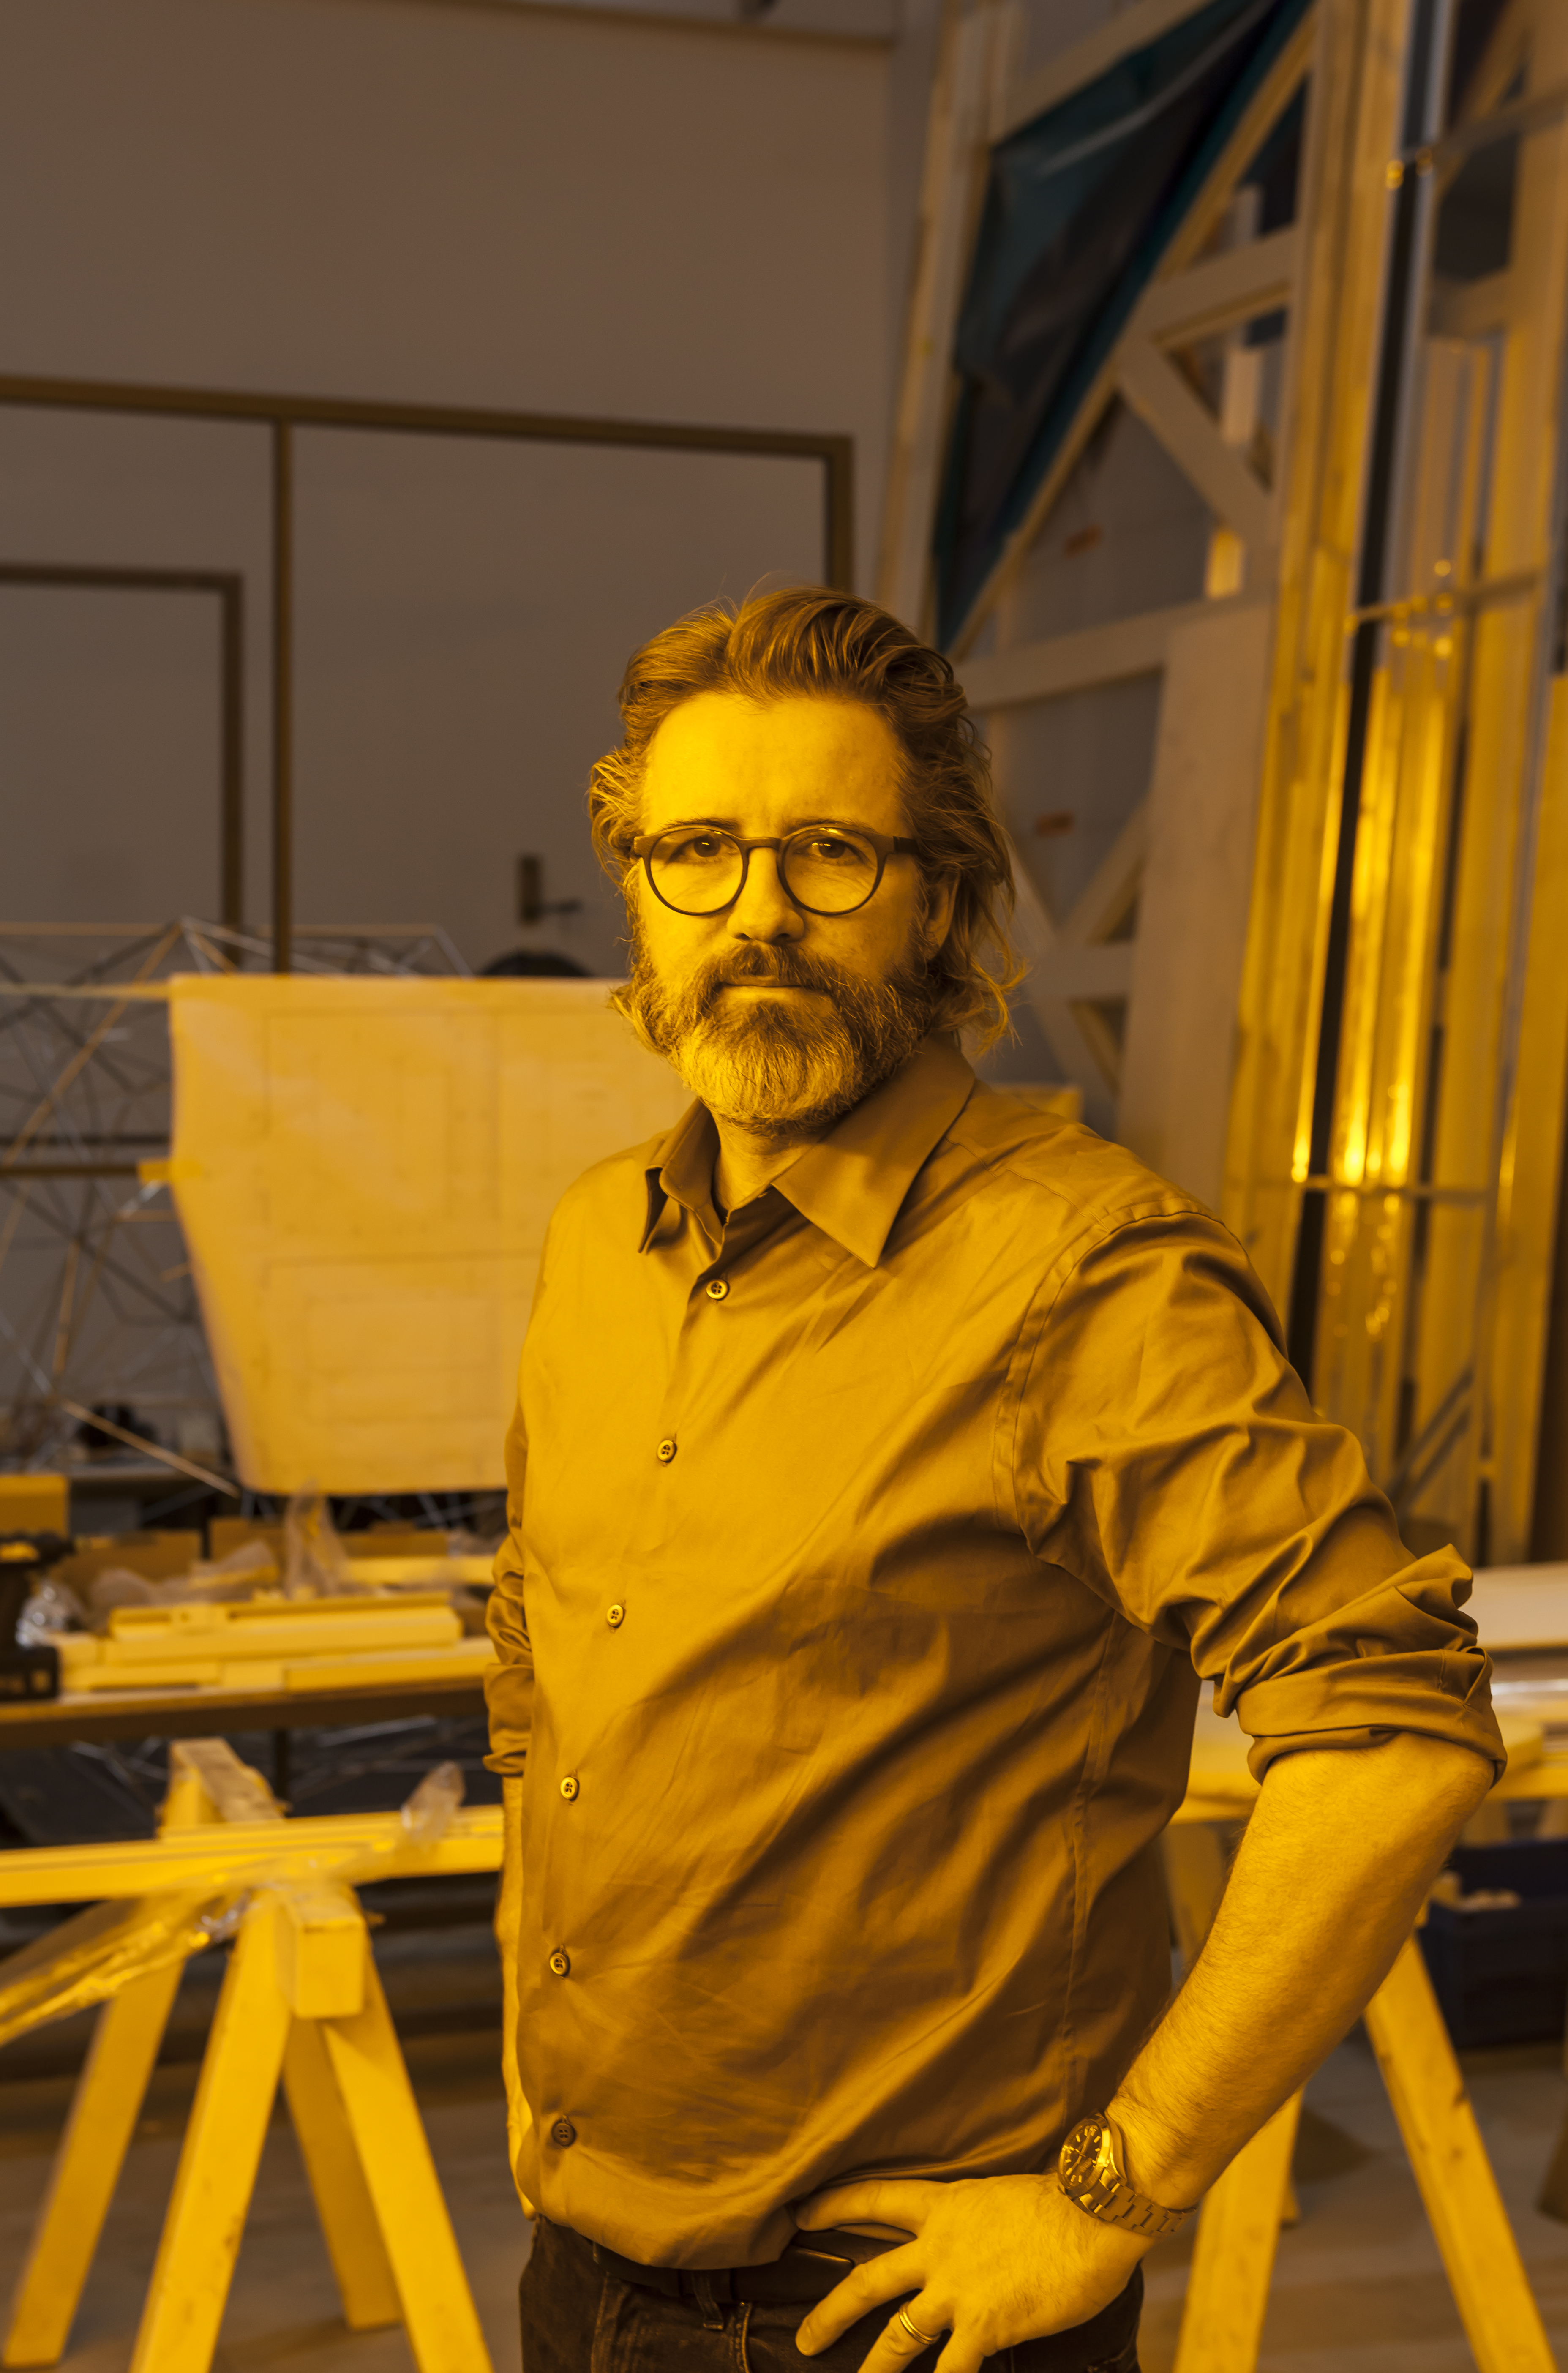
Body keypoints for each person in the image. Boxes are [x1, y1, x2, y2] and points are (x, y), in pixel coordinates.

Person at [485, 587, 1500, 2373]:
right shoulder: (599, 1244)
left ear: (940, 898)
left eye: (831, 855)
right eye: (699, 852)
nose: (760, 918)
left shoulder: (1081, 1272)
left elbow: (1392, 1729)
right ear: (636, 886)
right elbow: (542, 1659)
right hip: (583, 2274)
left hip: (894, 2315)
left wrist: (1116, 2191)